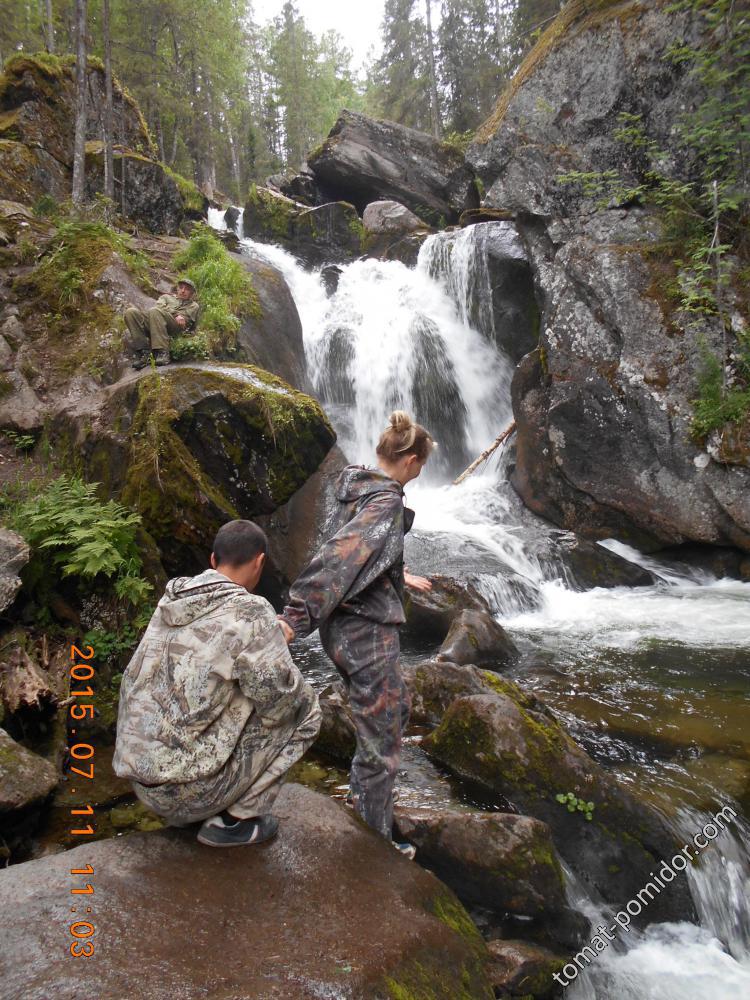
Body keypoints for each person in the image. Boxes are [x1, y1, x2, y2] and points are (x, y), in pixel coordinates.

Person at [277, 411, 435, 859]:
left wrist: (401, 576)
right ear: (410, 460)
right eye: (421, 463)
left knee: (394, 708)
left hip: (343, 626)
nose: (421, 472)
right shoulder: (384, 501)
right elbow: (340, 555)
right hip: (365, 628)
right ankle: (373, 846)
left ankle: (365, 805)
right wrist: (295, 616)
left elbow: (357, 549)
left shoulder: (353, 486)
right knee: (382, 736)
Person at [112, 519, 321, 848]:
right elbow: (281, 698)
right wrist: (274, 642)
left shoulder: (174, 598)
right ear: (260, 562)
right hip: (187, 793)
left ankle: (195, 812)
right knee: (305, 707)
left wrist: (267, 638)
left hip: (141, 782)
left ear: (213, 560)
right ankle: (233, 822)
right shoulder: (252, 611)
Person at [124, 278, 201, 370]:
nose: (183, 291)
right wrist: (175, 314)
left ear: (192, 293)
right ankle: (145, 353)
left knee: (155, 311)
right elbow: (159, 305)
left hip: (175, 327)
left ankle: (163, 352)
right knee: (131, 312)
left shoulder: (194, 305)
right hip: (157, 321)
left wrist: (172, 314)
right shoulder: (166, 297)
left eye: (187, 289)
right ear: (177, 289)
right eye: (181, 287)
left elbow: (186, 320)